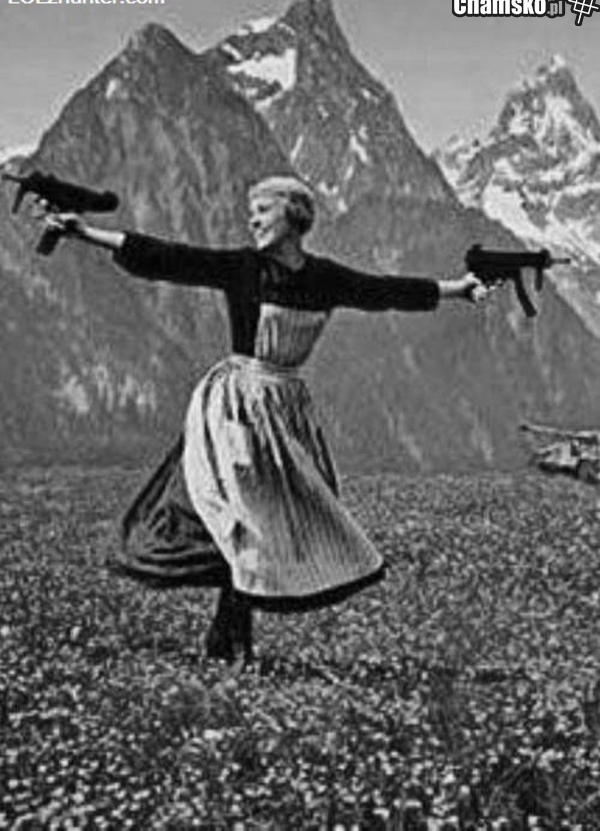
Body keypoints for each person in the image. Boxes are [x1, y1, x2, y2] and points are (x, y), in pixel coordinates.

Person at [41, 175, 487, 665]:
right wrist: (85, 233)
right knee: (232, 510)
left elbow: (384, 291)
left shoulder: (324, 278)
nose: (252, 220)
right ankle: (231, 637)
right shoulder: (243, 268)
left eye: (262, 210)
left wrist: (457, 289)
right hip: (236, 405)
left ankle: (229, 634)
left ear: (293, 216)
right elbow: (169, 258)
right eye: (251, 212)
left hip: (284, 410)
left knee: (269, 517)